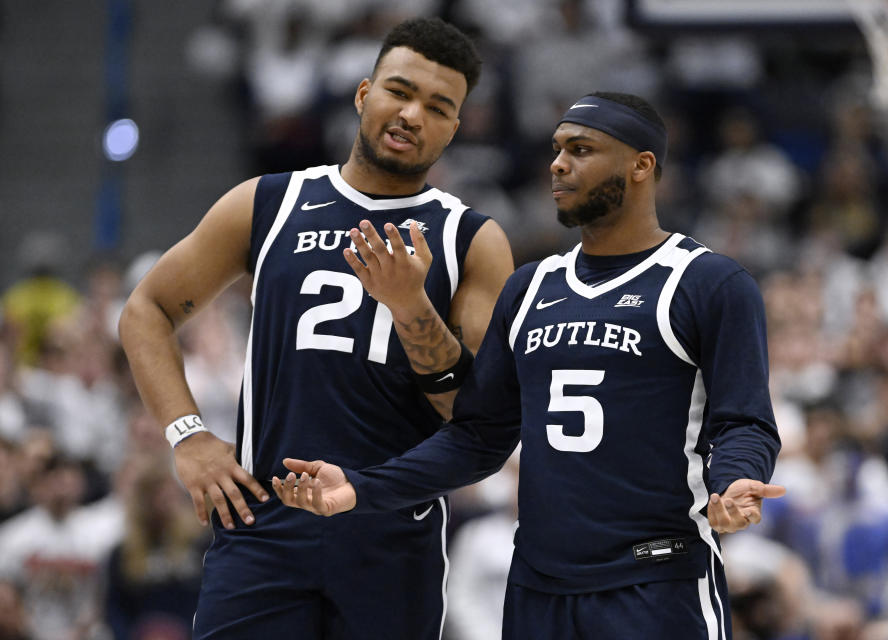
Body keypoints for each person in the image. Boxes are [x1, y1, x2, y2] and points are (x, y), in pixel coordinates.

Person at [276, 92, 785, 639]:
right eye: (557, 148)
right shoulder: (529, 287)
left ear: (642, 166)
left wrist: (736, 480)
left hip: (655, 583)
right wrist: (359, 488)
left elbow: (743, 420)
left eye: (582, 149)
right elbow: (478, 437)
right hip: (538, 591)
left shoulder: (710, 284)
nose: (558, 164)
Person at [118, 17, 513, 639]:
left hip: (391, 535)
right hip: (263, 527)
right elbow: (146, 311)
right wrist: (189, 437)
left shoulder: (472, 239)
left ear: (455, 129)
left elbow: (474, 417)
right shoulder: (269, 202)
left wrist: (411, 308)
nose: (412, 114)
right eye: (399, 91)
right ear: (363, 93)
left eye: (438, 107)